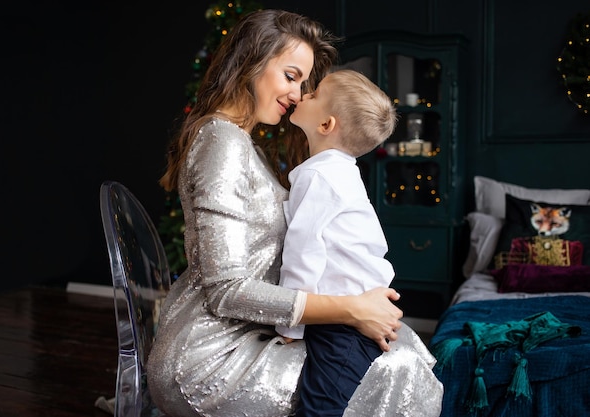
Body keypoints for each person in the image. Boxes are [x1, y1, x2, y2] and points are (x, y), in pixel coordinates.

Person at [147, 9, 443, 417]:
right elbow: (226, 290)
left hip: (245, 331)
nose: (298, 94)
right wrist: (352, 309)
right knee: (399, 365)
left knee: (401, 344)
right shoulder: (222, 142)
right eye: (291, 76)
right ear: (252, 61)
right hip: (209, 356)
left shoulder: (242, 142)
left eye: (305, 84)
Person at [275, 69, 401, 416]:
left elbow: (303, 253)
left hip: (344, 326)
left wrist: (290, 325)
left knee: (320, 407)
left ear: (326, 125)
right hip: (349, 309)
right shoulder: (339, 170)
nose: (303, 94)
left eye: (313, 95)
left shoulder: (318, 176)